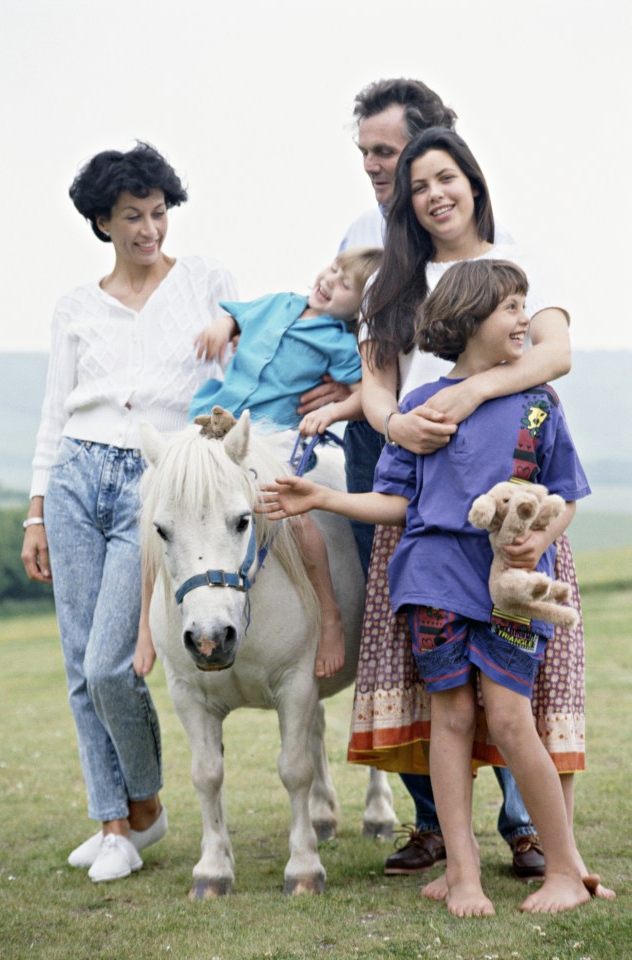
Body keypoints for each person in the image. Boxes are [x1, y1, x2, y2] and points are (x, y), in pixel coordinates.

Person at [258, 258, 595, 917]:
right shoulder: (419, 409)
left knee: (507, 717)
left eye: (524, 304)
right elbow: (396, 505)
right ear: (468, 319)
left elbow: (565, 495)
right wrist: (325, 495)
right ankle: (461, 873)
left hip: (511, 590)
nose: (524, 317)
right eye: (510, 306)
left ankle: (561, 870)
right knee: (450, 718)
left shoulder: (536, 407)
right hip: (432, 584)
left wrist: (543, 533)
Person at [298, 78, 542, 881]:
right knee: (418, 659)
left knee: (501, 667)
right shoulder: (386, 272)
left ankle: (523, 825)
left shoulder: (501, 265)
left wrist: (466, 392)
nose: (379, 169)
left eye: (390, 153)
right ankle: (438, 828)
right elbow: (373, 375)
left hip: (496, 487)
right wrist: (388, 417)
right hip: (408, 484)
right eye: (369, 156)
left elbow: (550, 350)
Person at [21, 142, 237, 883]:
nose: (149, 229)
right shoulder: (76, 307)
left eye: (157, 213)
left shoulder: (207, 282)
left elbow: (241, 368)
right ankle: (112, 821)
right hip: (78, 473)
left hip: (158, 480)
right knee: (79, 662)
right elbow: (54, 414)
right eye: (131, 218)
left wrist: (233, 342)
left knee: (111, 662)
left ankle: (144, 806)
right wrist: (36, 511)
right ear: (102, 223)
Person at [186, 246, 383, 677]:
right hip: (215, 423)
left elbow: (368, 392)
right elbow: (238, 316)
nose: (330, 280)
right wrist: (223, 325)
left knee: (293, 518)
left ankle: (329, 616)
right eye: (332, 268)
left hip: (272, 440)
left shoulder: (339, 343)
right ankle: (157, 623)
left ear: (361, 307)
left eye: (345, 284)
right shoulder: (279, 303)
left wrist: (333, 408)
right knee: (177, 507)